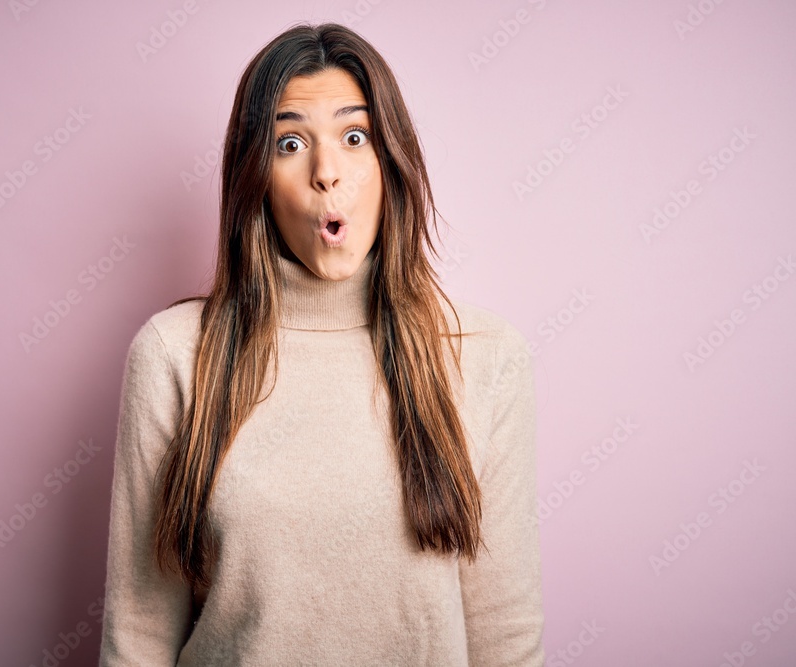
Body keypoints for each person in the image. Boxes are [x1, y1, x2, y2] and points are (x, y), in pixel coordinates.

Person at [99, 21, 545, 667]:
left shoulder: (487, 357)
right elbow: (137, 634)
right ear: (256, 177)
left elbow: (505, 636)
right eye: (289, 143)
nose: (325, 172)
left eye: (354, 136)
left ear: (390, 162)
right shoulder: (173, 354)